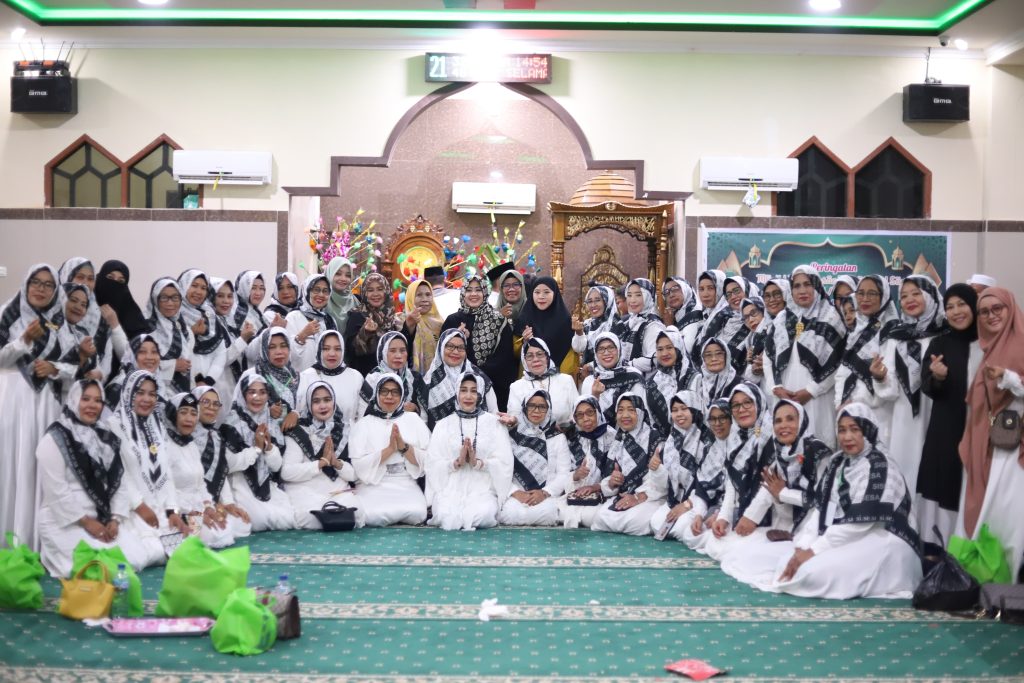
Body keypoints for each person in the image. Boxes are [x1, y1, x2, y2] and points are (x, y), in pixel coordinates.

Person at [766, 403, 922, 600]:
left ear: (868, 430)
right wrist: (804, 545)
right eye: (842, 430)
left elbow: (860, 524)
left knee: (813, 573)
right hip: (848, 534)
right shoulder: (838, 462)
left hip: (885, 537)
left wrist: (815, 549)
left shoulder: (880, 464)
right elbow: (821, 508)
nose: (847, 437)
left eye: (854, 429)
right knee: (789, 563)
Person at [35, 379, 164, 577]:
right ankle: (54, 554)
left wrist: (115, 520)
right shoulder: (55, 437)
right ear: (74, 400)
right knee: (97, 567)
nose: (92, 405)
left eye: (98, 401)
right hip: (65, 520)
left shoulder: (106, 436)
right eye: (85, 399)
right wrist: (87, 522)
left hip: (102, 519)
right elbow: (56, 490)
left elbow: (119, 484)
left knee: (136, 558)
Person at [719, 399, 833, 585]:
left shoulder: (818, 453)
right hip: (790, 527)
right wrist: (749, 518)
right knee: (735, 554)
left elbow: (823, 500)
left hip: (817, 528)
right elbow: (769, 487)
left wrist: (784, 494)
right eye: (778, 421)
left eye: (790, 419)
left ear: (802, 421)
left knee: (784, 570)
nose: (783, 425)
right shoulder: (781, 451)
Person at [0, 264, 71, 548]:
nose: (41, 289)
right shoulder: (7, 314)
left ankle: (40, 544)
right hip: (14, 401)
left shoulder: (62, 323)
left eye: (48, 284)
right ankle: (10, 541)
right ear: (26, 284)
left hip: (48, 405)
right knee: (13, 465)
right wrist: (24, 340)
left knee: (42, 468)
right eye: (36, 282)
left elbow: (76, 367)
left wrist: (56, 368)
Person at [957, 287, 1024, 580]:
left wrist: (1007, 378)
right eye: (984, 312)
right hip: (991, 442)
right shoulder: (985, 349)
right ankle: (988, 576)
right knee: (991, 507)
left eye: (998, 308)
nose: (991, 315)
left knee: (1011, 510)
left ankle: (1010, 579)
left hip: (1015, 446)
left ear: (1010, 309)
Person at [872, 275, 946, 495]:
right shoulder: (895, 337)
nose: (909, 300)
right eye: (904, 296)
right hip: (903, 416)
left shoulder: (945, 334)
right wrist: (880, 377)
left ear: (930, 296)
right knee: (904, 467)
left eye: (916, 293)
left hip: (936, 411)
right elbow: (890, 389)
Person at [918, 284, 979, 547]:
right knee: (945, 481)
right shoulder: (940, 343)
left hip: (980, 428)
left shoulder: (988, 342)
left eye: (961, 304)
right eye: (950, 307)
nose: (956, 312)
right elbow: (927, 386)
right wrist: (938, 377)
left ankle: (970, 547)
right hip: (947, 428)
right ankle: (938, 545)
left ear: (974, 305)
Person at [685, 382, 774, 560]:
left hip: (770, 516)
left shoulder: (770, 436)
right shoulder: (736, 437)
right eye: (736, 405)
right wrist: (724, 517)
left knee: (734, 553)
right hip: (741, 510)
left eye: (747, 403)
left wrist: (750, 517)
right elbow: (731, 484)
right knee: (703, 539)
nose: (741, 410)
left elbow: (769, 488)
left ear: (759, 403)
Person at [108, 370, 191, 559]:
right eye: (140, 393)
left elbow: (166, 470)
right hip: (131, 509)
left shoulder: (157, 425)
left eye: (152, 394)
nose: (147, 399)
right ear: (128, 393)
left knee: (188, 545)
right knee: (150, 553)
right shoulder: (114, 425)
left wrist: (172, 511)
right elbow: (119, 473)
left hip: (160, 506)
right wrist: (139, 505)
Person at [763, 265, 847, 449]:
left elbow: (838, 363)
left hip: (817, 397)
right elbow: (768, 357)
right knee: (787, 447)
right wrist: (775, 387)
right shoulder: (781, 319)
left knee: (816, 448)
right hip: (784, 395)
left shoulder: (831, 318)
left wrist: (811, 390)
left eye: (807, 284)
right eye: (796, 286)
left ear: (816, 286)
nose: (802, 290)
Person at [426, 372, 514, 531]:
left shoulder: (494, 423)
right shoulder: (443, 424)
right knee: (447, 517)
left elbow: (504, 462)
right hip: (451, 487)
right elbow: (432, 463)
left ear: (480, 394)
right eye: (463, 390)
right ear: (456, 393)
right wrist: (456, 463)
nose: (468, 396)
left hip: (483, 488)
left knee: (482, 515)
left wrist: (478, 463)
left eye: (474, 391)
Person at [350, 373, 430, 527]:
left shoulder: (413, 420)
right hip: (374, 484)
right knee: (371, 515)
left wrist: (403, 447)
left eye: (395, 392)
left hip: (405, 482)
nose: (389, 396)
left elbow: (429, 460)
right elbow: (358, 466)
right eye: (384, 391)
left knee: (418, 513)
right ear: (377, 393)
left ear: (402, 395)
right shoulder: (364, 424)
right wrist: (389, 450)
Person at [280, 381, 363, 529]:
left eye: (327, 400)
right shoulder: (297, 431)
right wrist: (320, 463)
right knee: (312, 517)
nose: (323, 406)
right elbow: (286, 472)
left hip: (336, 490)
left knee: (358, 514)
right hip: (305, 489)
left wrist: (336, 463)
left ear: (334, 402)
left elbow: (354, 476)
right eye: (316, 401)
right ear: (309, 404)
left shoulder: (344, 430)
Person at [220, 369, 295, 531]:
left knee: (288, 519)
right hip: (241, 480)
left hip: (266, 482)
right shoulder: (231, 422)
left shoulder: (270, 421)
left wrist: (268, 448)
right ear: (243, 395)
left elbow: (277, 466)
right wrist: (256, 449)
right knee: (257, 520)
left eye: (262, 392)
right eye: (251, 392)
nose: (257, 397)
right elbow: (227, 465)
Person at [163, 392, 237, 548]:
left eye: (193, 413)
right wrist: (193, 512)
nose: (189, 419)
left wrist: (208, 507)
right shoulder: (164, 445)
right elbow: (165, 490)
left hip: (196, 507)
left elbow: (200, 484)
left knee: (224, 531)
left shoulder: (191, 445)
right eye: (183, 413)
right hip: (173, 511)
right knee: (199, 538)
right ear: (172, 415)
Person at [834, 275, 897, 444]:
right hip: (849, 413)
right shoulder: (856, 331)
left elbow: (891, 387)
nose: (865, 299)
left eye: (872, 293)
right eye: (860, 293)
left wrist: (879, 379)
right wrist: (841, 403)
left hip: (879, 415)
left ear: (884, 296)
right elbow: (843, 373)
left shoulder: (892, 332)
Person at [591, 393, 665, 535]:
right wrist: (612, 482)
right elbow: (608, 481)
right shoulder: (618, 440)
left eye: (631, 410)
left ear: (640, 413)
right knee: (601, 518)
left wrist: (638, 497)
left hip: (650, 497)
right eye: (620, 410)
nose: (625, 415)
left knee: (635, 522)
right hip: (624, 496)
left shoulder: (655, 438)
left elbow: (661, 484)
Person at [441, 275, 515, 410]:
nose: (473, 294)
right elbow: (442, 353)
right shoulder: (452, 321)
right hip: (457, 386)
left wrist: (478, 375)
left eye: (478, 290)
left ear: (485, 292)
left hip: (493, 386)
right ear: (463, 293)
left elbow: (504, 357)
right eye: (469, 290)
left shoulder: (498, 320)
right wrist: (458, 338)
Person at [497, 390, 571, 526]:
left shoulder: (557, 437)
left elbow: (564, 473)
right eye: (531, 406)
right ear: (525, 408)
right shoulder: (511, 435)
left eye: (542, 407)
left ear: (548, 409)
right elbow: (501, 469)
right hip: (516, 495)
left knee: (548, 515)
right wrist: (515, 492)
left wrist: (544, 493)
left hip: (546, 495)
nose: (536, 411)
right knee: (509, 514)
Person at [647, 390, 714, 542]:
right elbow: (664, 485)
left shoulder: (707, 441)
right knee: (656, 523)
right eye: (675, 410)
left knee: (679, 530)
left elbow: (708, 481)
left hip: (699, 500)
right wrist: (656, 469)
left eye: (684, 409)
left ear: (695, 409)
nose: (679, 414)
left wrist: (688, 504)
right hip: (675, 499)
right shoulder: (672, 439)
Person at [189, 386, 252, 542]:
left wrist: (228, 504)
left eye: (216, 404)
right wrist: (208, 506)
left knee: (243, 524)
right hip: (189, 504)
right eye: (205, 402)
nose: (211, 407)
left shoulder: (216, 436)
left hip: (211, 502)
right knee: (216, 534)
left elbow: (221, 472)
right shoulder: (186, 435)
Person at [675, 399, 733, 546]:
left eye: (722, 418)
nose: (717, 424)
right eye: (712, 419)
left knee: (715, 541)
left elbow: (739, 491)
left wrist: (720, 515)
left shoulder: (740, 447)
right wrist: (699, 515)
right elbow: (702, 486)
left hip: (734, 509)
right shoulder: (711, 448)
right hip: (712, 506)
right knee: (686, 532)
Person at [560, 396, 617, 529]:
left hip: (604, 495)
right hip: (576, 495)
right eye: (580, 415)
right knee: (557, 512)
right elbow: (564, 475)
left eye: (590, 413)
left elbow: (617, 477)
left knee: (597, 516)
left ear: (598, 412)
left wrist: (595, 487)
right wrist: (576, 476)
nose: (585, 419)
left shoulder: (613, 436)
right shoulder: (573, 438)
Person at [425, 328, 498, 426]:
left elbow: (494, 412)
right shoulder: (429, 381)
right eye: (450, 346)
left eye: (461, 347)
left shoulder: (480, 378)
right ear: (441, 347)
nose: (456, 352)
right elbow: (423, 419)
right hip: (439, 434)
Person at [207, 276, 257, 416]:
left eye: (230, 296)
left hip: (231, 388)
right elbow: (220, 359)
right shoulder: (209, 323)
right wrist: (243, 339)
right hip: (219, 388)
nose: (226, 301)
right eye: (220, 296)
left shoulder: (227, 322)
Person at [506, 338, 579, 429]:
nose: (535, 359)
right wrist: (513, 421)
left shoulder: (566, 380)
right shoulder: (516, 387)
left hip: (564, 434)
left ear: (547, 357)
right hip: (529, 436)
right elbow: (514, 418)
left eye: (540, 354)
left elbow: (577, 413)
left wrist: (566, 427)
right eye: (529, 356)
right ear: (524, 360)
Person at [296, 330, 363, 425]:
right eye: (326, 349)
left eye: (337, 349)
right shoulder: (306, 377)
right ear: (319, 349)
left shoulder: (355, 377)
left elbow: (361, 416)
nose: (332, 354)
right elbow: (299, 412)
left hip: (349, 433)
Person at [515, 276, 577, 378]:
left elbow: (571, 353)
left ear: (555, 293)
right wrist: (524, 342)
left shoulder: (564, 320)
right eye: (537, 292)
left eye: (546, 292)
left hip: (558, 378)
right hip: (530, 378)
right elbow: (514, 354)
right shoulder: (524, 318)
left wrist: (561, 378)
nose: (541, 296)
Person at [344, 272, 404, 377]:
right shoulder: (357, 316)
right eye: (370, 290)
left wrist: (409, 326)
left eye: (380, 289)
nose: (375, 294)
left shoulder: (391, 317)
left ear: (386, 291)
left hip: (390, 377)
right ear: (364, 293)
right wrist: (365, 333)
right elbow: (350, 351)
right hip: (365, 378)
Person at [579, 332, 644, 427]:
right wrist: (595, 396)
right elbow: (587, 420)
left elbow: (640, 413)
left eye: (611, 347)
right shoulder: (589, 381)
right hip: (600, 434)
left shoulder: (634, 376)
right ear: (596, 354)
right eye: (601, 349)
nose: (606, 353)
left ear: (618, 350)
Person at [644, 327, 700, 437]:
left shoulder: (694, 377)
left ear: (678, 348)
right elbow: (651, 421)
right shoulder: (651, 384)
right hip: (664, 443)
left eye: (669, 347)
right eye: (660, 349)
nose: (664, 353)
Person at [360, 331, 429, 418]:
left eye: (402, 350)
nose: (398, 356)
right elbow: (362, 413)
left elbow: (427, 413)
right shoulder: (373, 378)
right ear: (383, 352)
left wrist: (416, 409)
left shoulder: (414, 378)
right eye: (392, 351)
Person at [177, 269, 228, 387]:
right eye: (194, 286)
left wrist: (207, 381)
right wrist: (191, 332)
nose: (199, 292)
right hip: (180, 384)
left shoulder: (209, 314)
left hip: (208, 386)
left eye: (203, 288)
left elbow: (221, 354)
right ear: (183, 286)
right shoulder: (174, 314)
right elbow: (172, 351)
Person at [145, 277, 195, 395]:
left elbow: (189, 366)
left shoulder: (184, 329)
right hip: (152, 392)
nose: (170, 303)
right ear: (155, 299)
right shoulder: (145, 328)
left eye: (175, 298)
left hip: (181, 395)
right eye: (164, 298)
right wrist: (172, 366)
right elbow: (138, 363)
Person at [697, 275, 758, 373]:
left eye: (737, 290)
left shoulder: (759, 322)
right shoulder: (723, 319)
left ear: (747, 291)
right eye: (728, 294)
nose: (733, 296)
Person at [253, 328, 301, 439]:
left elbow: (303, 405)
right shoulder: (253, 375)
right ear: (264, 349)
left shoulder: (293, 374)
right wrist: (267, 410)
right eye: (272, 347)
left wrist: (295, 413)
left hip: (292, 438)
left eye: (283, 346)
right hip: (262, 438)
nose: (279, 352)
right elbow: (241, 408)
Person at [610, 278, 665, 372]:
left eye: (638, 295)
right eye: (629, 295)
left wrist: (625, 364)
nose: (633, 300)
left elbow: (655, 359)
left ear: (648, 296)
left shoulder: (653, 325)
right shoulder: (629, 321)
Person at [287, 274, 339, 372]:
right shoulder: (293, 317)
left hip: (324, 378)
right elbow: (286, 355)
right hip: (300, 377)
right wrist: (302, 335)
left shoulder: (330, 321)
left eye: (325, 291)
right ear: (307, 291)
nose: (321, 295)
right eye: (316, 290)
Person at [105, 333, 166, 408]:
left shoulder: (159, 383)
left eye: (154, 352)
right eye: (142, 352)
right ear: (132, 356)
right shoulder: (119, 386)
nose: (149, 357)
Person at [94, 259, 150, 341]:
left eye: (120, 281)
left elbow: (139, 345)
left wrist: (115, 325)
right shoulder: (84, 305)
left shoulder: (132, 317)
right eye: (110, 277)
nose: (114, 284)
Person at [571, 284, 616, 372]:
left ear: (607, 300)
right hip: (589, 375)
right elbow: (578, 349)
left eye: (598, 300)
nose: (593, 305)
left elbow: (619, 355)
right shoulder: (588, 324)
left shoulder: (616, 324)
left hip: (612, 374)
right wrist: (579, 333)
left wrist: (591, 365)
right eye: (590, 301)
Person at [403, 279, 444, 375]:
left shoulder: (440, 324)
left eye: (428, 294)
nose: (425, 299)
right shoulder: (400, 321)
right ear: (410, 297)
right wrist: (408, 326)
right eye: (419, 295)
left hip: (437, 377)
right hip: (410, 377)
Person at [696, 338, 741, 412]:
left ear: (726, 356)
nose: (714, 359)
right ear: (703, 359)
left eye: (719, 354)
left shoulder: (739, 383)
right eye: (708, 355)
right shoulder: (698, 383)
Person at [662, 277, 704, 354]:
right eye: (666, 292)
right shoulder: (673, 316)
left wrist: (669, 326)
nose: (671, 295)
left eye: (675, 289)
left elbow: (686, 350)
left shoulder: (695, 315)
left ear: (685, 289)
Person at [324, 257, 358, 331]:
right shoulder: (321, 300)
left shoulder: (355, 301)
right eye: (338, 274)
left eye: (348, 275)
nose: (343, 279)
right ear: (330, 273)